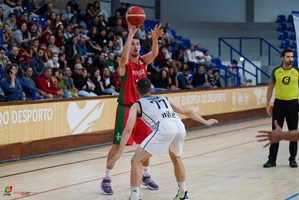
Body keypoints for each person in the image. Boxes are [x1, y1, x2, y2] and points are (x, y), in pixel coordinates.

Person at [108, 78, 218, 200]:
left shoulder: (136, 105)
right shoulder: (164, 98)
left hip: (164, 127)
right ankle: (183, 193)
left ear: (136, 90)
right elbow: (187, 111)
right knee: (176, 157)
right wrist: (206, 122)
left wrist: (119, 152)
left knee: (136, 160)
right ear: (151, 89)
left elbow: (128, 130)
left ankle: (134, 196)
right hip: (179, 126)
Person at [100, 23, 163, 195]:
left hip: (142, 110)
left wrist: (155, 39)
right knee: (116, 145)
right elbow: (123, 57)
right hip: (126, 109)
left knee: (147, 143)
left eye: (137, 44)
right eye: (132, 44)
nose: (135, 46)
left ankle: (146, 175)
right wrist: (130, 34)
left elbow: (155, 54)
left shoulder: (143, 62)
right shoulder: (125, 65)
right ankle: (106, 178)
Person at [263, 48, 299, 168]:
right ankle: (272, 159)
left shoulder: (297, 72)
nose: (290, 59)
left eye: (292, 57)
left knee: (293, 131)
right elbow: (270, 88)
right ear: (282, 58)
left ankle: (293, 158)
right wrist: (267, 104)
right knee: (276, 132)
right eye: (288, 57)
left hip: (293, 104)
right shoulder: (276, 71)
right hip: (279, 104)